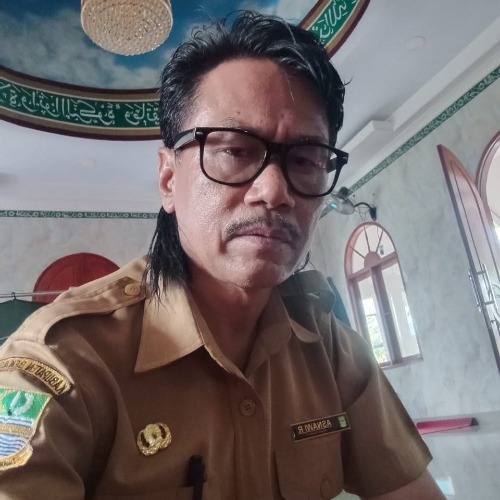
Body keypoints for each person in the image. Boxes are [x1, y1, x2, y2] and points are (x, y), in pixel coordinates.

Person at [0, 11, 444, 499]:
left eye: (305, 160)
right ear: (169, 179)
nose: (275, 191)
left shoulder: (329, 346)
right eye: (235, 151)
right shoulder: (62, 361)